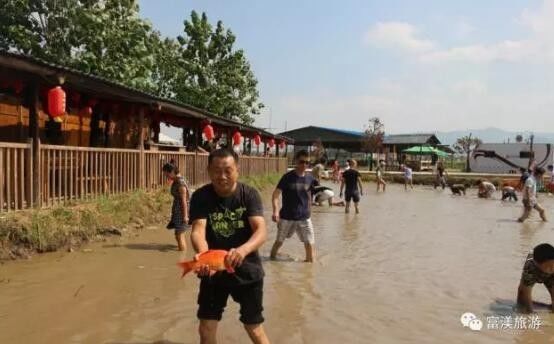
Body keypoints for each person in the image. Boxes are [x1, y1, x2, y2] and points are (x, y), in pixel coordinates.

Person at [189, 149, 270, 344]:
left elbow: (261, 230)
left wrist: (242, 250)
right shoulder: (201, 196)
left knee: (254, 327)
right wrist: (202, 254)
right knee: (206, 327)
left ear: (237, 170)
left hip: (247, 271)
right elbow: (198, 230)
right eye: (217, 170)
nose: (222, 176)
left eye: (228, 170)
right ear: (208, 171)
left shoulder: (249, 195)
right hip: (213, 271)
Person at [270, 150, 318, 263]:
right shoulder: (287, 177)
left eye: (307, 163)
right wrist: (276, 211)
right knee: (279, 241)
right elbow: (275, 195)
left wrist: (309, 211)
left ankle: (309, 269)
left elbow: (309, 196)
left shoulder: (310, 178)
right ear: (296, 161)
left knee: (310, 243)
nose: (304, 165)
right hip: (287, 216)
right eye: (302, 162)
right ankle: (271, 259)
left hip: (304, 217)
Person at [517, 243, 554, 313]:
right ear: (537, 264)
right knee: (522, 292)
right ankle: (519, 305)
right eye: (548, 267)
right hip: (533, 272)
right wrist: (530, 311)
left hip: (550, 276)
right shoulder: (530, 268)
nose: (552, 269)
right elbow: (527, 290)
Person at [162, 162, 191, 251]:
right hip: (178, 209)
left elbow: (184, 201)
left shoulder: (181, 184)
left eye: (167, 174)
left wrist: (185, 216)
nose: (166, 177)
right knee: (178, 233)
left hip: (182, 210)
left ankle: (182, 254)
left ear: (172, 172)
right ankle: (180, 249)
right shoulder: (176, 180)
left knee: (180, 234)